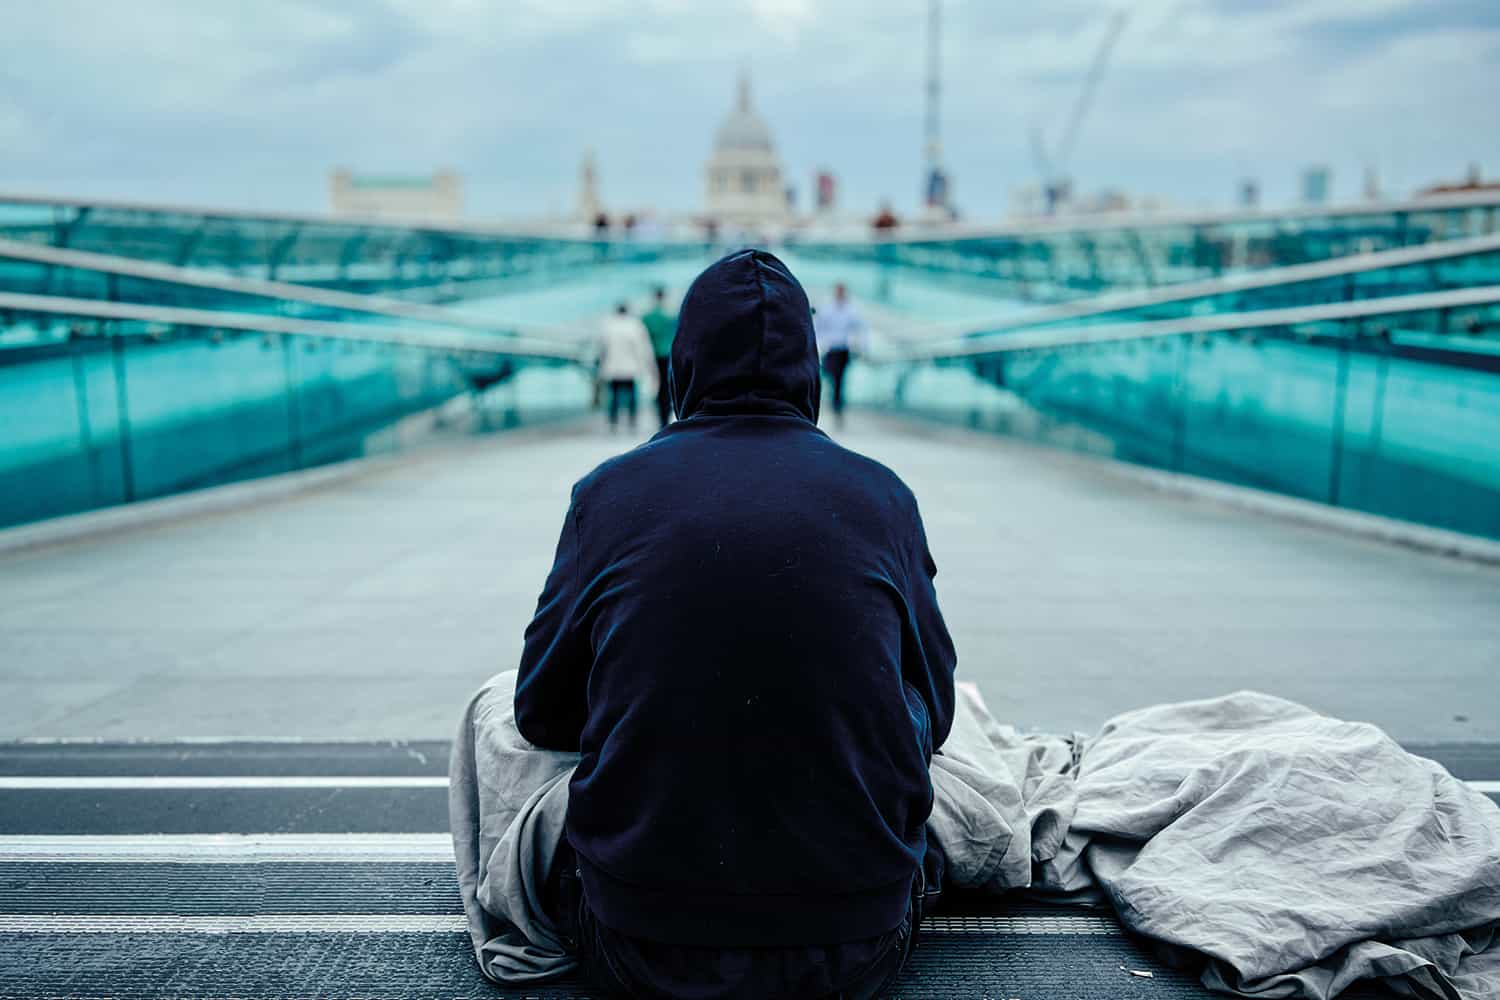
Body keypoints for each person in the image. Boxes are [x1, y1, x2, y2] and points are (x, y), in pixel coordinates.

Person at [515, 250, 956, 999]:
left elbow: (538, 713)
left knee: (491, 710)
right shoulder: (884, 498)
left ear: (683, 360)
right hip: (857, 948)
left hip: (637, 944)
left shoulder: (608, 495)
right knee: (902, 697)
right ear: (810, 367)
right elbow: (936, 716)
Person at [596, 303, 656, 432]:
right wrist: (645, 365)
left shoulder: (608, 326)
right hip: (631, 367)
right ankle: (632, 421)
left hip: (613, 367)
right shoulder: (635, 326)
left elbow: (602, 349)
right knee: (632, 395)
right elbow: (642, 348)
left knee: (614, 396)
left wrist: (602, 365)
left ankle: (613, 422)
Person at [814, 283, 866, 426]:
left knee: (839, 382)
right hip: (830, 349)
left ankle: (837, 410)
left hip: (843, 350)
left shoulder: (851, 309)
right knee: (824, 378)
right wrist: (819, 344)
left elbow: (861, 329)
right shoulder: (827, 307)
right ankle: (820, 406)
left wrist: (861, 347)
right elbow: (818, 327)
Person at [641, 285, 678, 428]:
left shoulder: (647, 317)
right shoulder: (671, 315)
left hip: (653, 354)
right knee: (669, 386)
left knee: (657, 386)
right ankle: (667, 415)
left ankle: (660, 417)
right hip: (669, 354)